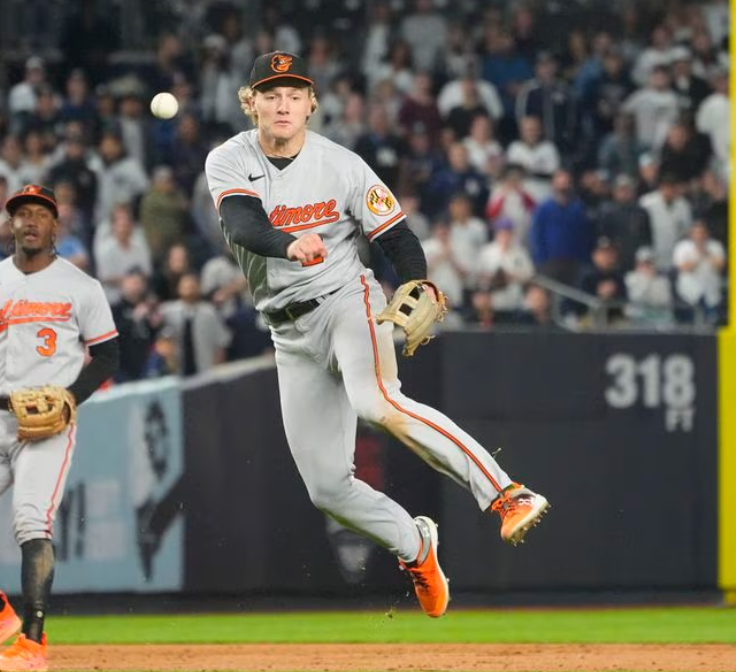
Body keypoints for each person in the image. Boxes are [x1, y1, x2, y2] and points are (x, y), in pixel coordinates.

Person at [204, 52, 549, 619]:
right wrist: (287, 243)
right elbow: (243, 222)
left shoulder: (342, 165)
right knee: (327, 488)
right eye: (271, 94)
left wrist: (415, 282)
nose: (283, 103)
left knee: (378, 401)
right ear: (252, 103)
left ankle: (506, 493)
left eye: (294, 93)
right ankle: (416, 547)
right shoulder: (230, 159)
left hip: (346, 301)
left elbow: (396, 236)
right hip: (288, 333)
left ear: (312, 104)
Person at [0, 184, 119, 672]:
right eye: (22, 213)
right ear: (8, 224)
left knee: (31, 522)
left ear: (55, 226)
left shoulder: (81, 287)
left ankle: (33, 647)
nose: (31, 220)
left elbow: (109, 355)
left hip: (48, 423)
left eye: (41, 213)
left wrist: (70, 398)